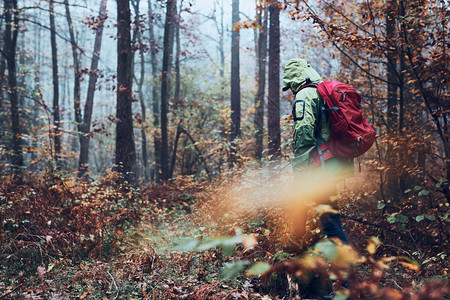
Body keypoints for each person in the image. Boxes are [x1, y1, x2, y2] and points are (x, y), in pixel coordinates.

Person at [282, 58, 353, 253]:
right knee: (302, 203)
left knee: (330, 222)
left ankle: (348, 276)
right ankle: (296, 242)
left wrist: (300, 169)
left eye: (290, 86)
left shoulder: (305, 95)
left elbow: (304, 134)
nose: (291, 90)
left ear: (294, 79)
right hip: (329, 164)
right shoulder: (320, 90)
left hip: (317, 167)